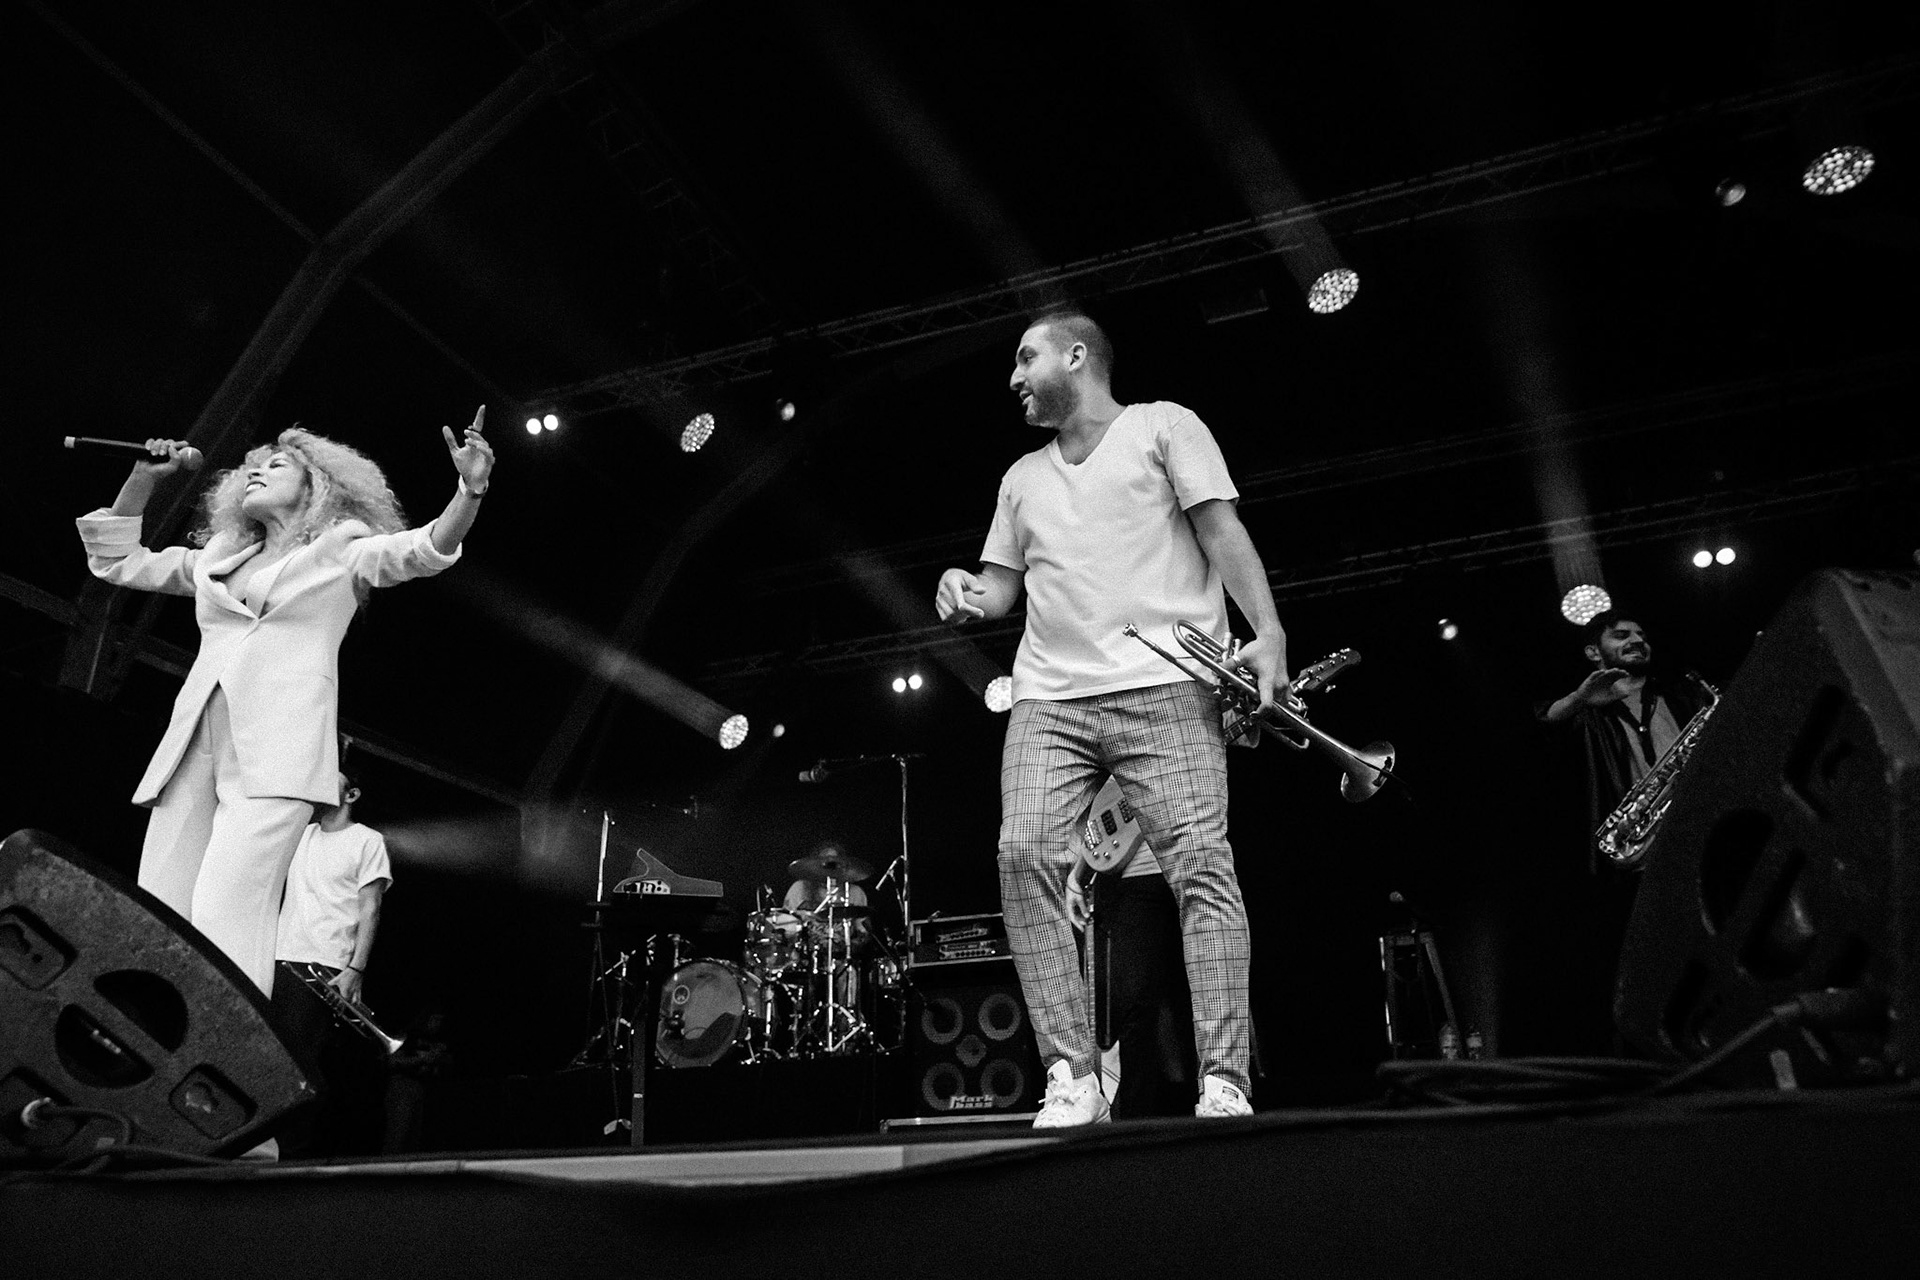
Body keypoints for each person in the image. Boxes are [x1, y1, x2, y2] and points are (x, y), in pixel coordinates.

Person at [935, 310, 1288, 1125]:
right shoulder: (1021, 478)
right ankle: (1073, 1073)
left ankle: (1224, 1080)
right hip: (1050, 698)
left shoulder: (1165, 428)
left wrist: (1268, 632)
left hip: (1167, 685)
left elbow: (1222, 531)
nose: (1014, 378)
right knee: (1022, 852)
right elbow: (999, 589)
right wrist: (963, 589)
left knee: (1201, 867)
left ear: (1077, 355)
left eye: (1026, 358)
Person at [75, 410, 492, 995]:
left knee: (225, 914)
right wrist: (143, 477)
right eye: (252, 467)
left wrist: (469, 490)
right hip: (193, 746)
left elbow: (422, 550)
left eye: (276, 466)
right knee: (159, 910)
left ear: (317, 485)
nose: (255, 472)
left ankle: (233, 1047)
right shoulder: (222, 553)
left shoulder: (341, 546)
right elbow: (118, 561)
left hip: (278, 754)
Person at [1538, 608, 1709, 1050]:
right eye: (1621, 635)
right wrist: (1580, 699)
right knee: (1648, 966)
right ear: (1593, 652)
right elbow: (1539, 729)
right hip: (1634, 856)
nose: (1637, 640)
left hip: (1698, 839)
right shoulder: (1585, 711)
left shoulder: (1683, 695)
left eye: (1641, 634)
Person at [272, 769, 392, 1157]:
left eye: (333, 780)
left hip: (327, 962)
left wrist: (355, 969)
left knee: (301, 1062)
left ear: (352, 794)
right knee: (274, 1056)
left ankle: (291, 1157)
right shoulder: (301, 833)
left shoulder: (368, 840)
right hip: (281, 957)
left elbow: (371, 909)